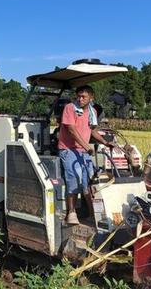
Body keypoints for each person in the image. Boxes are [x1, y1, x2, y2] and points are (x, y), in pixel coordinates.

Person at [58, 85, 113, 225]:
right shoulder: (70, 108)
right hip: (68, 149)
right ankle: (71, 213)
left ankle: (93, 214)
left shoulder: (92, 111)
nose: (80, 99)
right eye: (79, 96)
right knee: (74, 179)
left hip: (83, 150)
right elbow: (71, 130)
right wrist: (86, 146)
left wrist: (105, 142)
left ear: (91, 98)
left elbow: (92, 131)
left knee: (88, 182)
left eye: (84, 97)